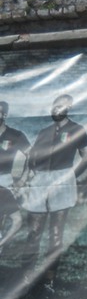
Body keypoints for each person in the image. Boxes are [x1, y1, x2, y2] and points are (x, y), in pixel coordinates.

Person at [22, 95, 87, 292]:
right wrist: (31, 176)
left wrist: (69, 177)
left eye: (60, 106)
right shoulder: (44, 132)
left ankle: (48, 280)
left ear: (69, 107)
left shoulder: (76, 129)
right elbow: (33, 158)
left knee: (55, 235)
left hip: (62, 182)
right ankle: (26, 276)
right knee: (34, 232)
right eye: (54, 106)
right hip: (40, 182)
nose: (56, 109)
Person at [0, 102, 30, 255]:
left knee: (4, 222)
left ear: (4, 115)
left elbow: (32, 155)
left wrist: (23, 179)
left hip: (5, 182)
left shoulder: (15, 135)